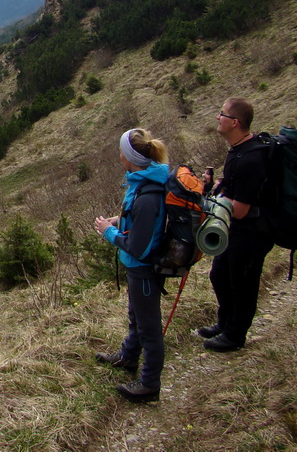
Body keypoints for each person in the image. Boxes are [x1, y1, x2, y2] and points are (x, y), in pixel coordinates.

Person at [93, 128, 169, 402]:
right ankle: (127, 356)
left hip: (143, 268)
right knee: (136, 317)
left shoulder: (147, 195)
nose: (118, 156)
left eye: (121, 152)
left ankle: (149, 384)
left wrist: (108, 232)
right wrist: (117, 220)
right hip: (137, 268)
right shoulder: (142, 183)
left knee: (149, 327)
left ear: (130, 157)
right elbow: (138, 220)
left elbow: (138, 246)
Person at [198, 97, 275, 352]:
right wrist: (216, 186)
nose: (217, 117)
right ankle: (225, 322)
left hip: (252, 232)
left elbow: (240, 210)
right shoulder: (237, 150)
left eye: (222, 114)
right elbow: (233, 189)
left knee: (243, 283)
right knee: (219, 274)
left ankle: (235, 336)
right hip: (235, 230)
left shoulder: (251, 159)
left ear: (235, 122)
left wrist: (216, 202)